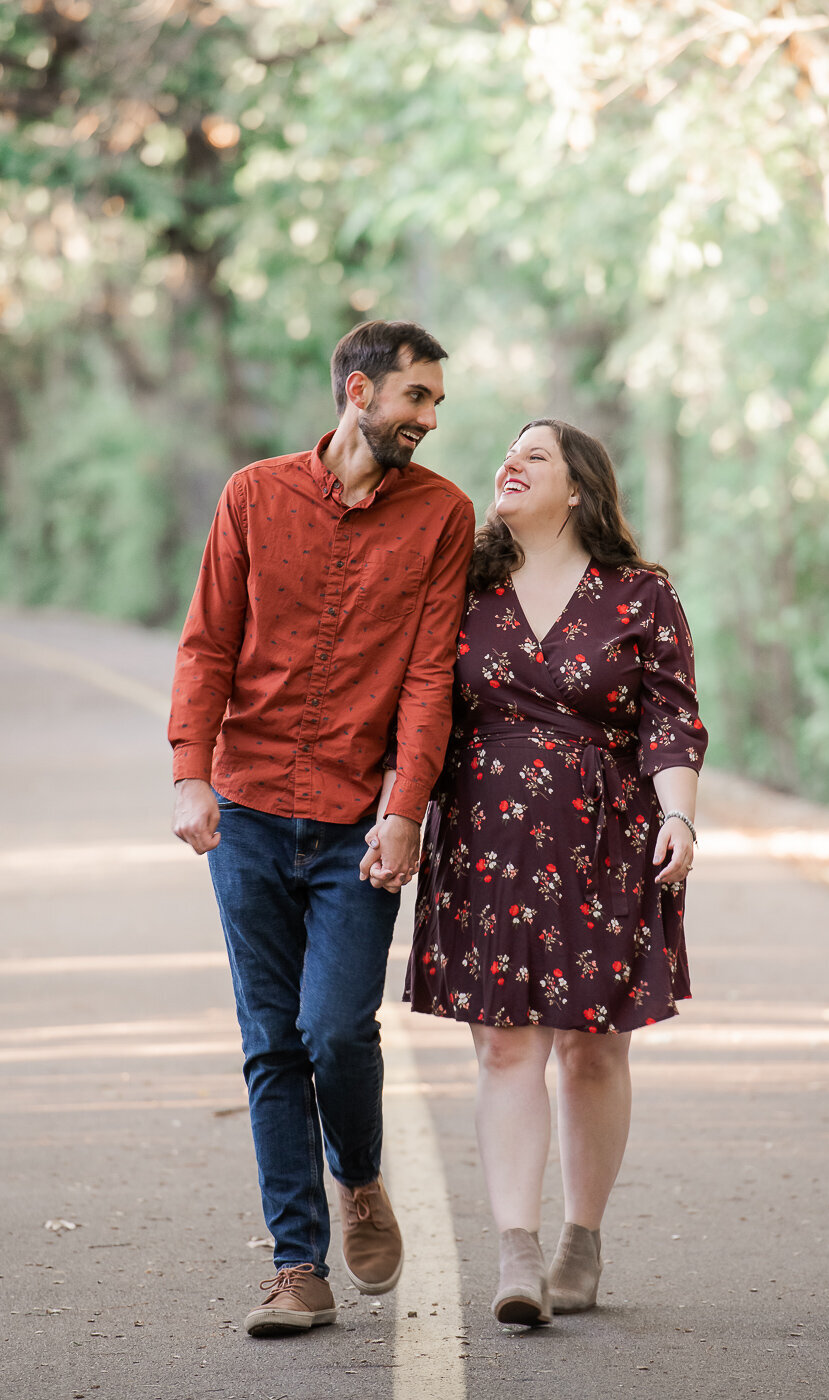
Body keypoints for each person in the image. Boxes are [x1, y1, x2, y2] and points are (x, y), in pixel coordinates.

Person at [169, 320, 474, 1338]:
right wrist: (190, 775)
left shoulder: (441, 516)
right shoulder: (254, 495)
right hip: (249, 807)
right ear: (359, 390)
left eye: (435, 402)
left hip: (356, 822)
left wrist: (403, 810)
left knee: (336, 1027)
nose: (431, 418)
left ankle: (360, 1177)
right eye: (417, 398)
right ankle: (297, 1265)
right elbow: (208, 640)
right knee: (269, 1042)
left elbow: (431, 675)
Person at [404, 418, 707, 1326]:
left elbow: (672, 718)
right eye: (507, 452)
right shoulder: (462, 584)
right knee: (504, 1043)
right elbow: (417, 705)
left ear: (577, 487)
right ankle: (515, 1253)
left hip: (605, 839)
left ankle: (581, 1238)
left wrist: (679, 814)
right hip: (484, 839)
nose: (510, 463)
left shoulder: (639, 593)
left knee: (591, 1047)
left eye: (534, 455)